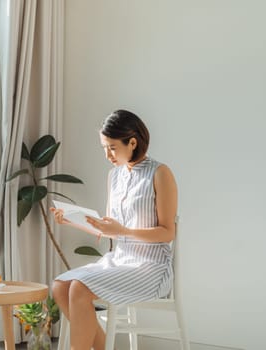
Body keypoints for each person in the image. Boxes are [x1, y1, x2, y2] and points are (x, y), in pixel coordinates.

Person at [51, 109, 178, 350]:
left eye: (112, 147)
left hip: (151, 267)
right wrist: (70, 220)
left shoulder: (160, 173)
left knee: (79, 287)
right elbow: (110, 230)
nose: (108, 154)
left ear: (132, 142)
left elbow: (167, 232)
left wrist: (125, 231)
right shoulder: (115, 176)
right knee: (60, 286)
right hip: (119, 260)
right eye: (104, 148)